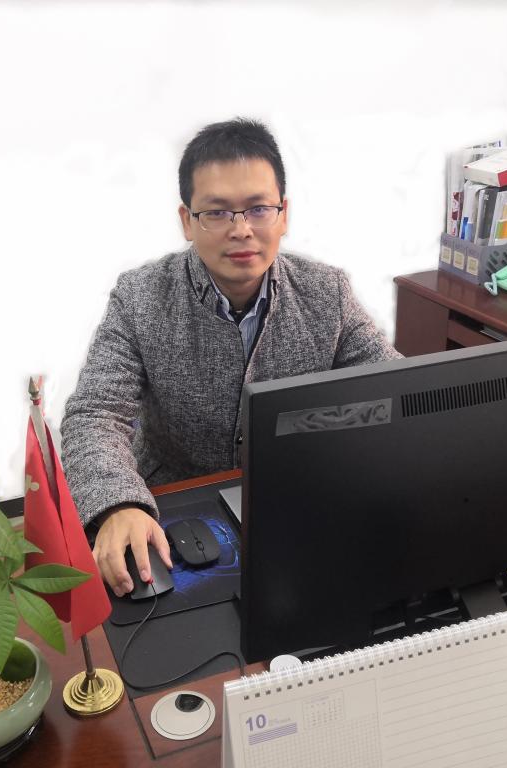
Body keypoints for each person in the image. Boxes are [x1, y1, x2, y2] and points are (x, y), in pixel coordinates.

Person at [61, 118, 401, 597]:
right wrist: (118, 504)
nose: (241, 230)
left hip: (296, 500)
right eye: (217, 213)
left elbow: (394, 392)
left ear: (283, 214)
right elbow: (94, 414)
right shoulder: (140, 298)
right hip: (173, 506)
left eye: (259, 209)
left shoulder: (327, 293)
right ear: (187, 221)